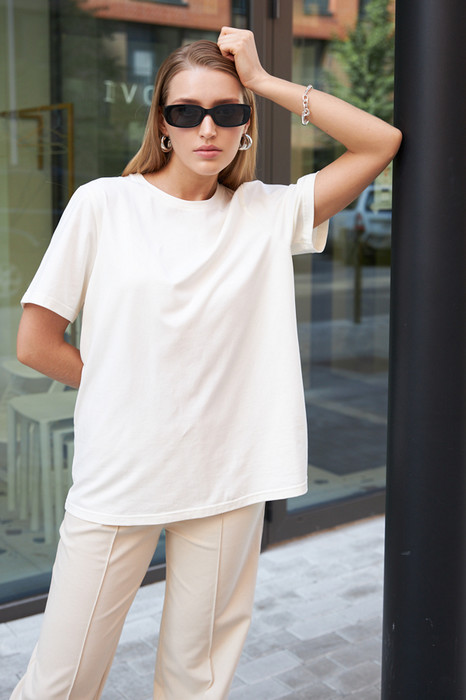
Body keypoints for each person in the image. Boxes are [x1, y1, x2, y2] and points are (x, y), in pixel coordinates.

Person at [11, 27, 401, 700]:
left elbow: (380, 141)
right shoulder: (104, 204)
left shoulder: (265, 212)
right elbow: (36, 342)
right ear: (162, 123)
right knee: (61, 681)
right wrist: (131, 389)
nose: (207, 128)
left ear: (247, 123)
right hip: (122, 469)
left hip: (228, 475)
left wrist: (266, 81)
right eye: (186, 112)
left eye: (228, 111)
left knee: (196, 682)